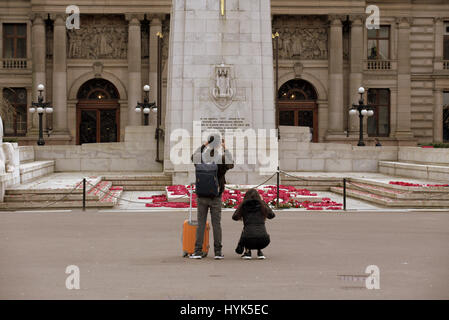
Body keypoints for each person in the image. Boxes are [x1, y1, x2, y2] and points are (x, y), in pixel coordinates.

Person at [190, 134, 234, 260]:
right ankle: (218, 252)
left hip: (202, 196)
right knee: (216, 224)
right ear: (219, 144)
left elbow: (193, 156)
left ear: (209, 143)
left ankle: (198, 251)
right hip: (216, 196)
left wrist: (204, 145)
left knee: (201, 224)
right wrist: (225, 149)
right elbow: (231, 164)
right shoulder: (221, 160)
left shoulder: (201, 159)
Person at [232, 188, 275, 260]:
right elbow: (271, 215)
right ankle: (259, 251)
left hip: (248, 240)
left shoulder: (244, 205)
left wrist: (242, 204)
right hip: (264, 241)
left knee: (247, 230)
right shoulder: (262, 205)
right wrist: (262, 201)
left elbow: (235, 217)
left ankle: (248, 251)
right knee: (258, 230)